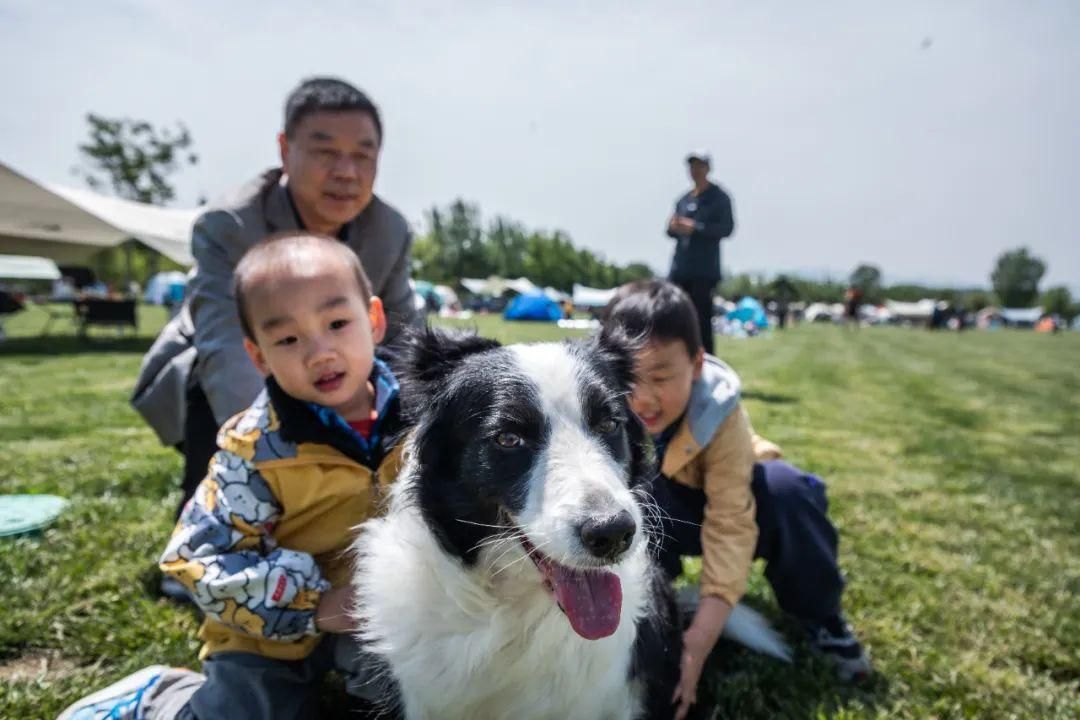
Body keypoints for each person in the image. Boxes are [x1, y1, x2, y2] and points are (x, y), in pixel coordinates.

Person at [59, 233, 407, 720]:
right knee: (246, 709)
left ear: (373, 320)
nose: (319, 352)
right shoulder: (254, 450)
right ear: (258, 355)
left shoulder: (426, 417)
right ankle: (164, 698)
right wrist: (317, 604)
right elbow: (196, 558)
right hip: (265, 629)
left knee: (429, 687)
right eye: (288, 339)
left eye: (337, 323)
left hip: (380, 613)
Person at [130, 78, 420, 597]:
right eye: (326, 151)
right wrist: (281, 445)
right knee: (216, 379)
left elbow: (403, 337)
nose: (346, 172)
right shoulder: (228, 223)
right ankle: (217, 518)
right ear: (285, 150)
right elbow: (223, 342)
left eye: (363, 155)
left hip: (343, 368)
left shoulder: (390, 230)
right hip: (222, 361)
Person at [601, 280, 871, 719]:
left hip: (732, 501)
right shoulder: (601, 408)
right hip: (663, 505)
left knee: (789, 491)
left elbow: (730, 523)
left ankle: (820, 616)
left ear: (696, 363)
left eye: (662, 377)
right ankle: (653, 608)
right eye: (631, 379)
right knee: (636, 495)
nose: (644, 398)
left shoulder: (721, 415)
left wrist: (697, 646)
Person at [665, 150, 735, 356]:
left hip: (704, 271)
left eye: (699, 166)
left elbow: (727, 229)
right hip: (680, 269)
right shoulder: (683, 199)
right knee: (675, 319)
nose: (695, 170)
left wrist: (696, 227)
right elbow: (671, 231)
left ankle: (707, 365)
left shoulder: (719, 197)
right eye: (692, 166)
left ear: (708, 168)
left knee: (701, 321)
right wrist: (673, 226)